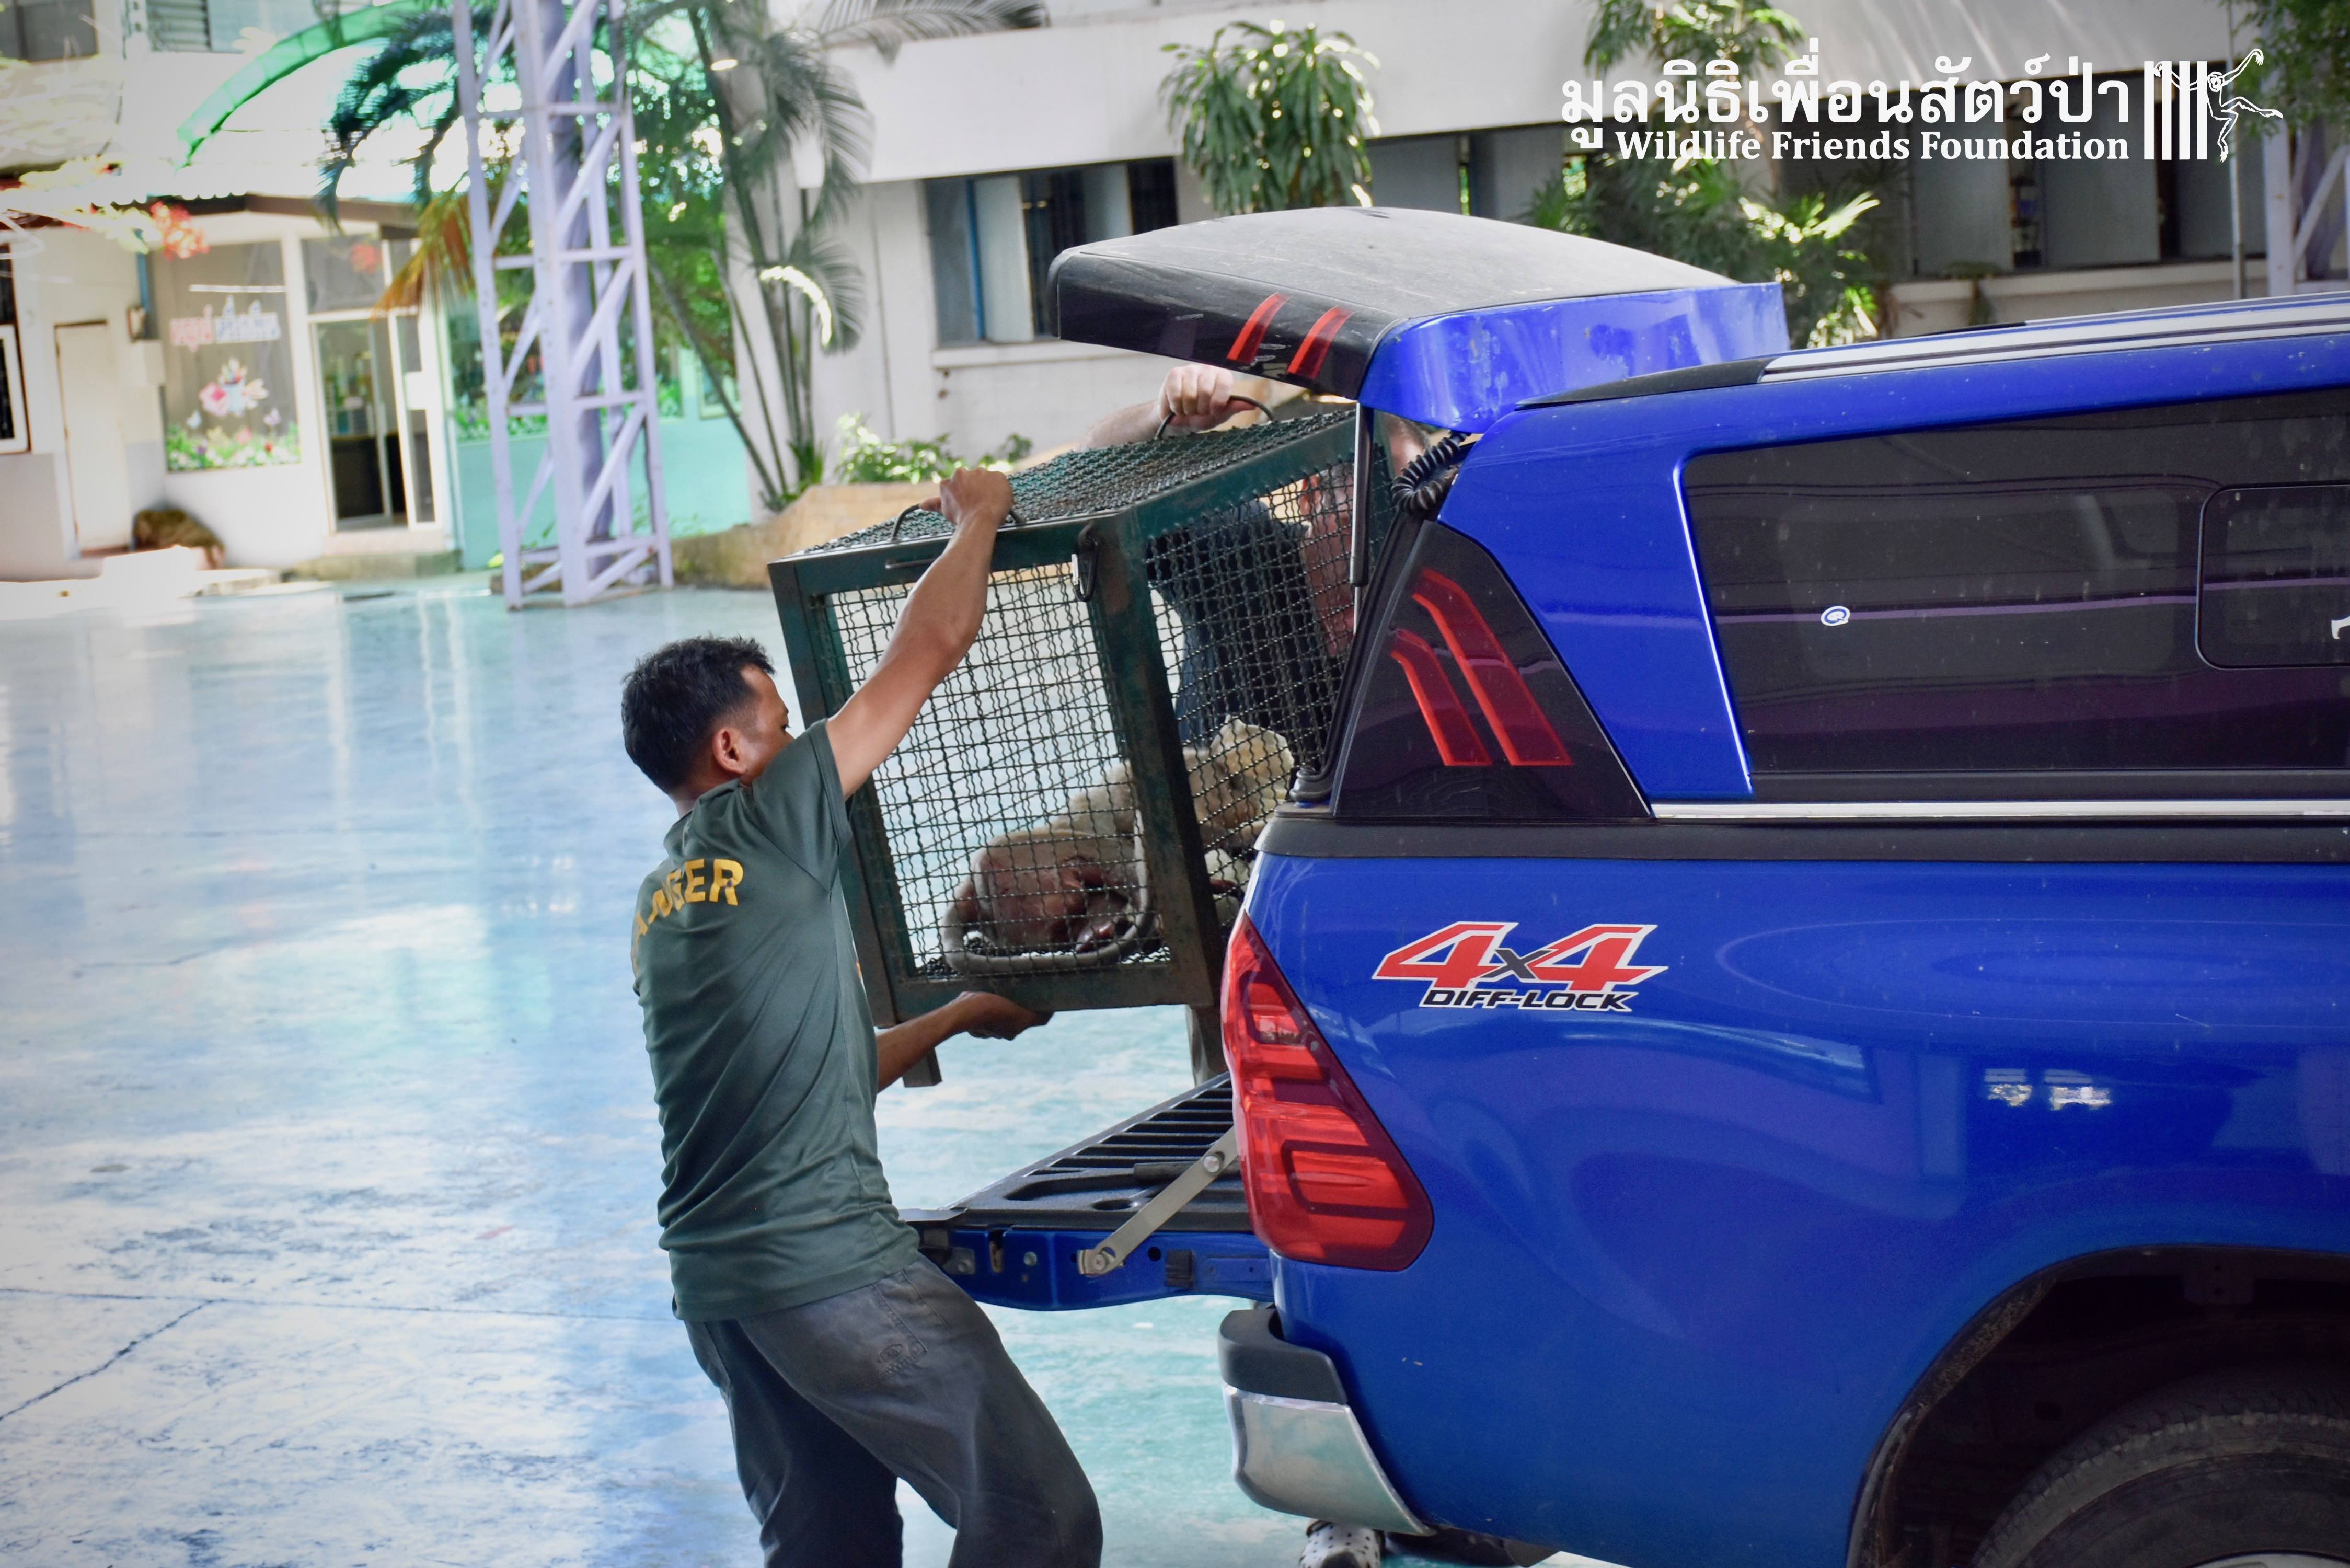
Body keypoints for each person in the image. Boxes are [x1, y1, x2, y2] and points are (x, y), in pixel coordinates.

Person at [620, 467, 1101, 1568]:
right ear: (734, 754)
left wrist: (959, 1013)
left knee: (828, 1546)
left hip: (722, 1295)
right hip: (825, 1269)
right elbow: (926, 651)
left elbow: (805, 1070)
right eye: (783, 725)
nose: (805, 744)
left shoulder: (662, 904)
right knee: (1039, 1518)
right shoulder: (769, 815)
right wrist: (979, 516)